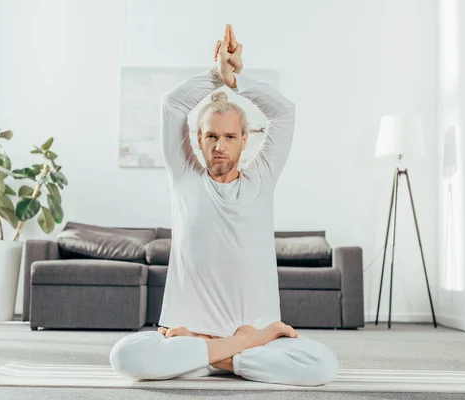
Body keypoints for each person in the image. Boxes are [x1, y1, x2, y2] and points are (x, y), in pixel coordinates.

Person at [109, 24, 338, 386]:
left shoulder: (261, 178)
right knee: (123, 356)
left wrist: (237, 82)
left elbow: (285, 113)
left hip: (231, 343)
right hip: (196, 337)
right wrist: (215, 75)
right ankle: (232, 352)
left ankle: (220, 355)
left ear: (244, 140)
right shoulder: (185, 177)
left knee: (322, 366)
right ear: (198, 140)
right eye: (212, 136)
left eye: (230, 136)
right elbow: (172, 106)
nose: (220, 145)